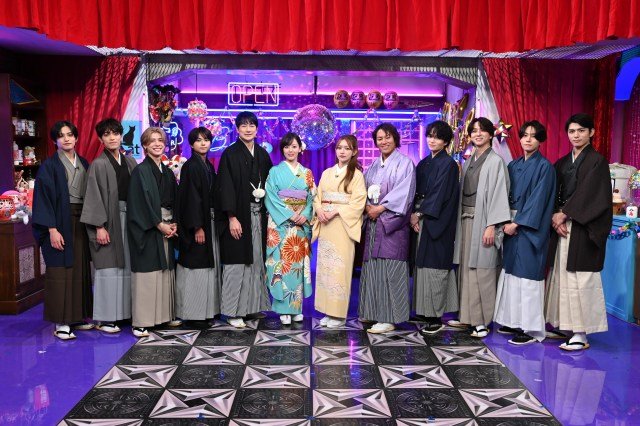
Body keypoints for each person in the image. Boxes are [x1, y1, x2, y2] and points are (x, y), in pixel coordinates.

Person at [544, 113, 611, 351]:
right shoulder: (562, 162)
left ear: (591, 132)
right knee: (561, 276)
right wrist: (555, 216)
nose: (576, 135)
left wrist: (565, 213)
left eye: (581, 130)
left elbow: (593, 194)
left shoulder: (597, 161)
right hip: (562, 225)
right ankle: (565, 326)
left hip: (583, 227)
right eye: (572, 131)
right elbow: (553, 191)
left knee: (579, 278)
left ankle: (581, 333)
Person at [493, 120, 556, 345]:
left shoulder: (545, 167)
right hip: (509, 225)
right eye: (525, 135)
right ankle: (512, 321)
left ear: (540, 140)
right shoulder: (513, 165)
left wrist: (517, 223)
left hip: (529, 230)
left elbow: (539, 201)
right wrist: (503, 220)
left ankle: (530, 329)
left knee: (528, 276)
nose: (528, 139)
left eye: (534, 136)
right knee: (511, 274)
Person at [32, 121, 92, 340]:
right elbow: (43, 199)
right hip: (59, 221)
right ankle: (61, 322)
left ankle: (76, 316)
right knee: (60, 270)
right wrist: (51, 229)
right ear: (55, 141)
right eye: (61, 135)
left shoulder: (84, 163)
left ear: (76, 138)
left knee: (79, 268)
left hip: (81, 220)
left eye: (70, 134)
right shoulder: (49, 166)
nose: (66, 139)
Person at [451, 117, 510, 338]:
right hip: (466, 220)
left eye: (482, 130)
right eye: (474, 131)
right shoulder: (469, 162)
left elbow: (500, 194)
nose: (477, 134)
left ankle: (482, 321)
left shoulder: (495, 161)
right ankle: (467, 316)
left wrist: (491, 226)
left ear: (490, 134)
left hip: (484, 221)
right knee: (467, 269)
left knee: (483, 270)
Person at [215, 111, 273, 328]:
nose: (248, 129)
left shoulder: (262, 154)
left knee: (257, 261)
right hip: (239, 215)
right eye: (243, 125)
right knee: (236, 263)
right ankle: (232, 311)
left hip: (259, 216)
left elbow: (271, 184)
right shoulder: (230, 154)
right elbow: (225, 187)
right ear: (237, 129)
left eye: (251, 125)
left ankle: (252, 306)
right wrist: (231, 217)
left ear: (257, 129)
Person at [81, 118, 138, 334]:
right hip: (108, 220)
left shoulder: (130, 162)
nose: (112, 137)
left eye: (115, 133)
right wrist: (99, 226)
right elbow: (93, 196)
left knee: (127, 266)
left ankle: (124, 314)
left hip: (129, 219)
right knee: (108, 267)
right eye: (106, 134)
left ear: (121, 136)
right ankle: (106, 318)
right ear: (100, 139)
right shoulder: (98, 164)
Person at [359, 123, 416, 334]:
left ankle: (390, 317)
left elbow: (405, 194)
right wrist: (367, 207)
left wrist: (380, 209)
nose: (384, 141)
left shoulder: (405, 163)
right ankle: (373, 311)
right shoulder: (373, 165)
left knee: (391, 269)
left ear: (395, 138)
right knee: (374, 268)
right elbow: (362, 190)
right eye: (380, 138)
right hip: (374, 223)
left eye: (388, 137)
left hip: (393, 226)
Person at [127, 127, 179, 337]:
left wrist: (175, 223)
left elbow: (175, 199)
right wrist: (158, 224)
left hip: (167, 224)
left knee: (165, 272)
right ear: (145, 146)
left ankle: (163, 317)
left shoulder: (167, 171)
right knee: (147, 273)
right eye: (152, 141)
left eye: (160, 140)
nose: (157, 144)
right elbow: (139, 203)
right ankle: (142, 321)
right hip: (148, 228)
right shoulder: (140, 171)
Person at [410, 120, 460, 334]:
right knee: (421, 266)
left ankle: (436, 316)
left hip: (437, 220)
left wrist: (420, 214)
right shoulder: (424, 163)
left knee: (435, 267)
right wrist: (413, 214)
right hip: (421, 218)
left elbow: (440, 194)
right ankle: (424, 310)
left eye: (438, 137)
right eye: (430, 135)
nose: (432, 140)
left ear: (446, 141)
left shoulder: (449, 164)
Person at [313, 135, 367, 328]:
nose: (342, 151)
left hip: (343, 225)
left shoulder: (357, 175)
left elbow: (358, 202)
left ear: (354, 152)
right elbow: (317, 195)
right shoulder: (327, 172)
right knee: (325, 268)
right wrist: (319, 210)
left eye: (347, 148)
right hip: (326, 224)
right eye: (339, 148)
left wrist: (336, 211)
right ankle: (327, 310)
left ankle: (338, 314)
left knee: (340, 268)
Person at [264, 133, 315, 325]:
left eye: (294, 146)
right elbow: (271, 196)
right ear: (282, 149)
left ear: (300, 149)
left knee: (296, 266)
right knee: (280, 264)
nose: (290, 150)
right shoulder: (274, 171)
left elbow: (311, 198)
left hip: (300, 226)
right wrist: (290, 215)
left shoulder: (307, 173)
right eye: (287, 147)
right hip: (281, 225)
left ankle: (296, 308)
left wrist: (305, 215)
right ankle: (282, 309)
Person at [175, 127, 221, 326]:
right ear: (191, 144)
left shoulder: (207, 165)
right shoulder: (191, 166)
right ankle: (194, 315)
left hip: (209, 220)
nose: (203, 143)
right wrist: (197, 227)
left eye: (206, 140)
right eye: (198, 140)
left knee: (208, 268)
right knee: (196, 269)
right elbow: (191, 199)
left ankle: (207, 311)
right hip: (198, 224)